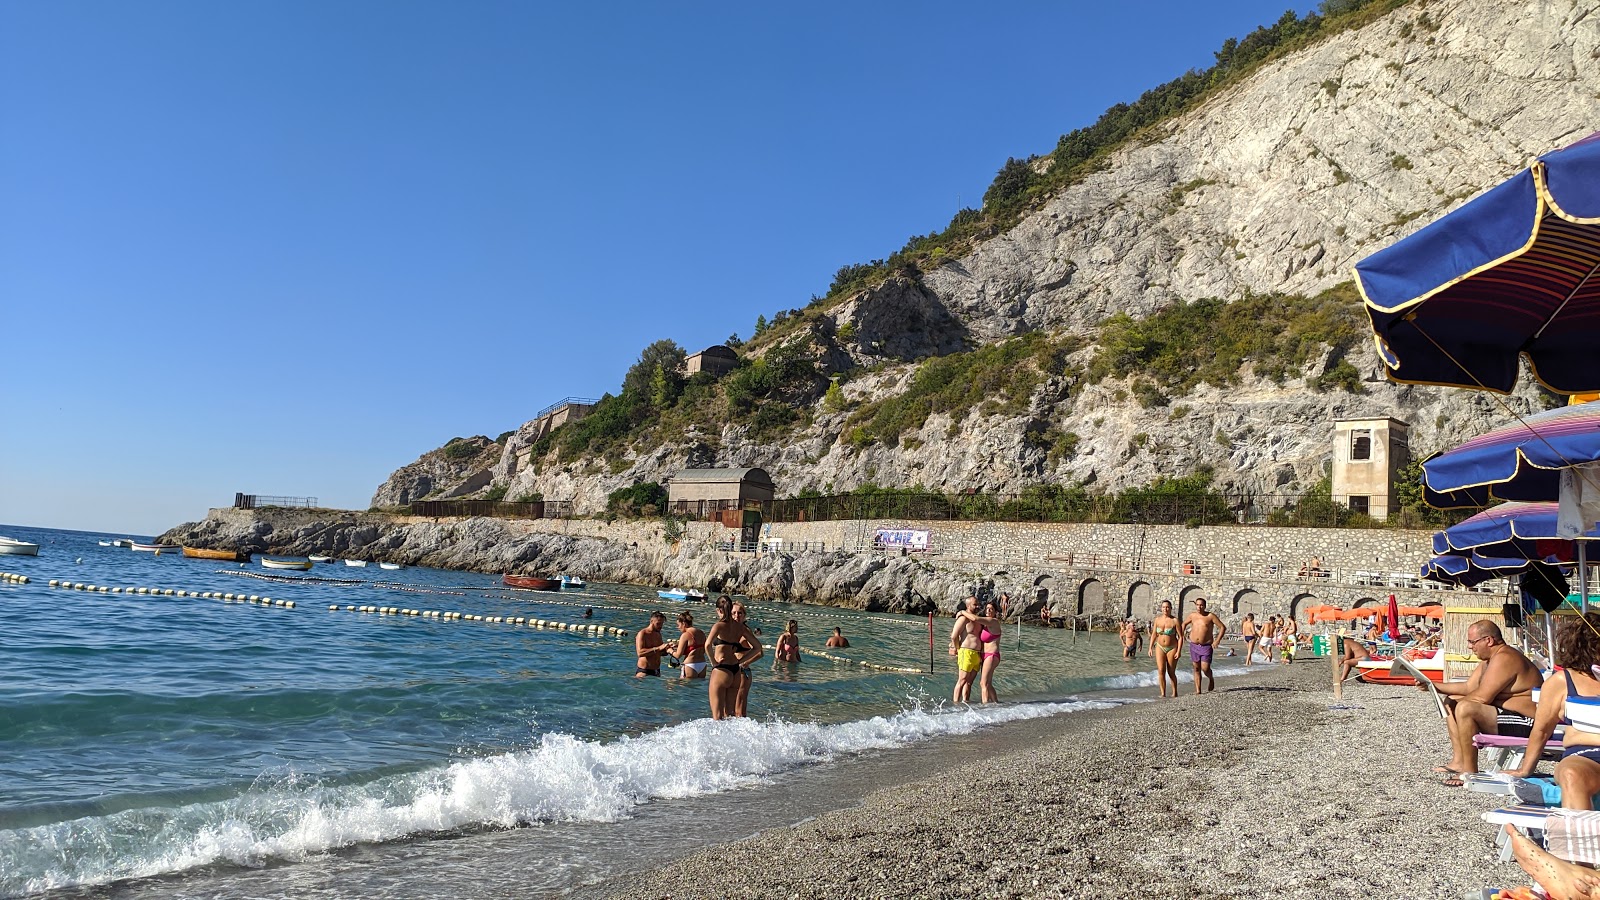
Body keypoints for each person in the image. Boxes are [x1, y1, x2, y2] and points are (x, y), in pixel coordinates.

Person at [1430, 619, 1543, 782]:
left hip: (1527, 721)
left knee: (1465, 708)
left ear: (1488, 640)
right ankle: (1459, 762)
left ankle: (1469, 772)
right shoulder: (1490, 660)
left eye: (1472, 642)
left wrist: (1459, 705)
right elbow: (1469, 687)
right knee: (1451, 702)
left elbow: (1482, 697)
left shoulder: (1505, 657)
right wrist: (1433, 686)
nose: (1470, 646)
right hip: (1509, 715)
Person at [1511, 613, 1600, 807]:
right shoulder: (1562, 682)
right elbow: (1542, 730)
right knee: (1572, 775)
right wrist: (1526, 769)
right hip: (1588, 756)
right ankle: (1581, 836)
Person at [706, 596, 762, 720]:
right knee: (730, 716)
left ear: (719, 610)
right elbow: (758, 647)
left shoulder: (719, 626)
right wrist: (741, 661)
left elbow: (707, 645)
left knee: (717, 718)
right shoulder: (740, 627)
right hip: (735, 671)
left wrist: (713, 662)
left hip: (721, 669)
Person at [957, 600, 1004, 703]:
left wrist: (962, 612)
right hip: (984, 655)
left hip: (991, 655)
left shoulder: (993, 621)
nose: (988, 611)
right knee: (988, 683)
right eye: (987, 609)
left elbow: (975, 618)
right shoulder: (986, 625)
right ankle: (997, 704)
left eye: (991, 609)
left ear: (995, 612)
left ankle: (985, 707)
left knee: (983, 683)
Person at [1183, 597, 1226, 694]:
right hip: (1193, 645)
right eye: (1197, 605)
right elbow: (1184, 624)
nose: (1199, 607)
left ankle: (1211, 678)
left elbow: (1222, 627)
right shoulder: (1192, 616)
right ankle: (1198, 690)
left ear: (1205, 606)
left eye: (1201, 605)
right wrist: (1182, 635)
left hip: (1206, 646)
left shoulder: (1210, 616)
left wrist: (1217, 640)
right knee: (1196, 668)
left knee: (1205, 668)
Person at [730, 602, 763, 717]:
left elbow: (759, 652)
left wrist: (744, 663)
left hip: (743, 672)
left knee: (739, 709)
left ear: (744, 615)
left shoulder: (745, 631)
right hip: (732, 671)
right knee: (733, 708)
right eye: (733, 613)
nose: (736, 616)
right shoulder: (731, 630)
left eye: (739, 613)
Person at [949, 597, 981, 704]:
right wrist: (957, 649)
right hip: (966, 652)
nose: (977, 607)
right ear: (968, 606)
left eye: (978, 604)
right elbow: (954, 636)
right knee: (962, 680)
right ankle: (956, 704)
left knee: (969, 683)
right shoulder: (963, 619)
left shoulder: (977, 619)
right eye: (975, 605)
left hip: (977, 654)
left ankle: (966, 703)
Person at [1150, 600, 1183, 699]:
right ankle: (1163, 693)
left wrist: (1179, 651)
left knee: (1171, 671)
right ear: (1161, 608)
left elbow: (1181, 637)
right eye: (1164, 607)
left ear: (1171, 608)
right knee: (1161, 670)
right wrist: (1150, 647)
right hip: (1160, 646)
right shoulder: (1157, 620)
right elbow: (1154, 634)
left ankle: (1174, 692)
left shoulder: (1175, 621)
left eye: (1168, 607)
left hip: (1172, 647)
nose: (1166, 609)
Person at [672, 610, 707, 679]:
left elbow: (678, 655)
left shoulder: (685, 635)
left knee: (682, 687)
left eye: (678, 625)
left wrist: (669, 650)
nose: (678, 627)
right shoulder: (701, 633)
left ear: (684, 624)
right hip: (702, 664)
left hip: (690, 665)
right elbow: (701, 649)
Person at [634, 611, 669, 677]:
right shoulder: (643, 633)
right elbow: (640, 653)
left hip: (657, 671)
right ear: (651, 621)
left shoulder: (658, 634)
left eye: (662, 624)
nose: (660, 626)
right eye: (658, 624)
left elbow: (660, 652)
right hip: (644, 671)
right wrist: (658, 648)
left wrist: (668, 649)